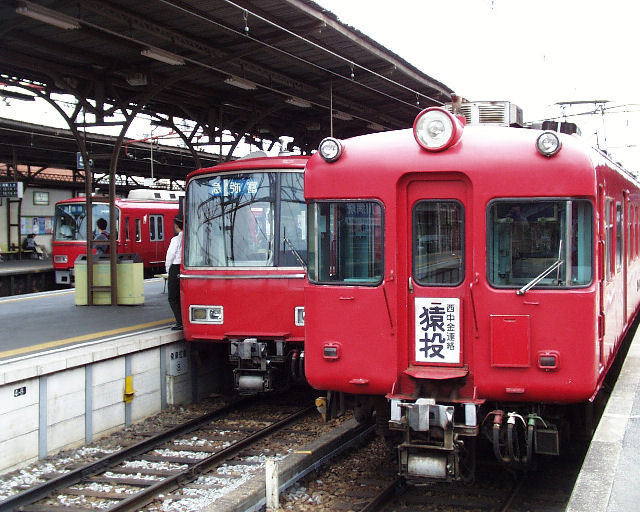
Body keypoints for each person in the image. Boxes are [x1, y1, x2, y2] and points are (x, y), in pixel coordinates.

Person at [166, 214, 183, 330]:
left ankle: (179, 322)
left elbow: (170, 256)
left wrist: (168, 269)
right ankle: (184, 320)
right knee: (181, 295)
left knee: (172, 297)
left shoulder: (176, 239)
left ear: (176, 226)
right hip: (184, 267)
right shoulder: (188, 238)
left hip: (175, 267)